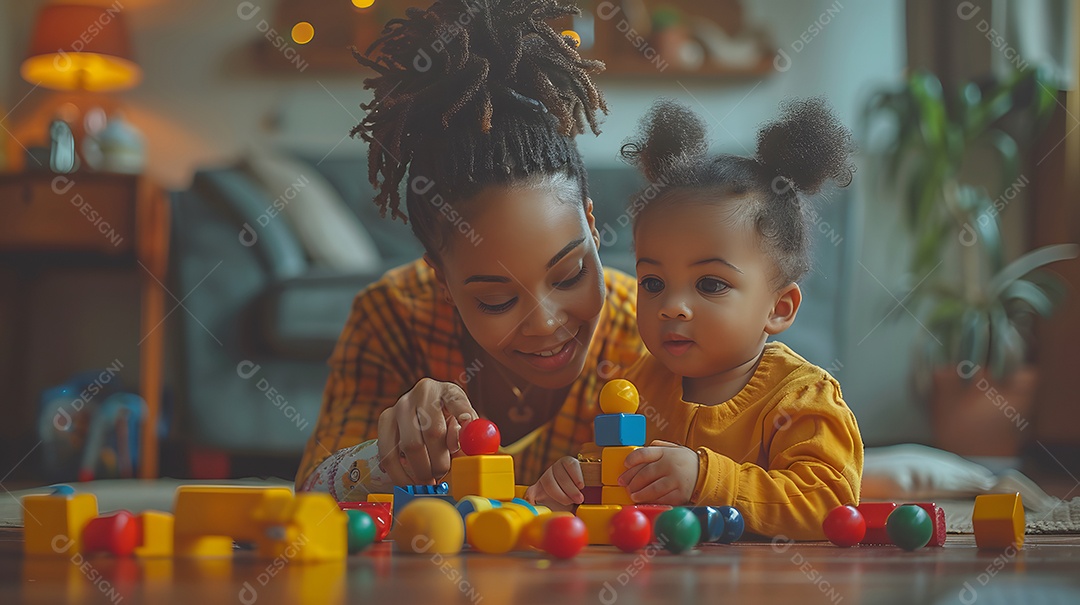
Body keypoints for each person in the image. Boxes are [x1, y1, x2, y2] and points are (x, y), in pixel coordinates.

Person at [295, 0, 645, 499]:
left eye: (569, 275)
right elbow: (311, 493)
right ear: (440, 277)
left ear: (591, 224)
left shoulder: (647, 329)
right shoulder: (391, 317)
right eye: (496, 300)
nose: (547, 323)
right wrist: (384, 455)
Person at [525, 98, 863, 540]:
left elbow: (829, 504)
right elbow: (610, 478)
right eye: (652, 283)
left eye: (709, 285)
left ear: (778, 308)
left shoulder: (803, 399)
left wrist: (707, 479)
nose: (672, 306)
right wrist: (572, 483)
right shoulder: (636, 388)